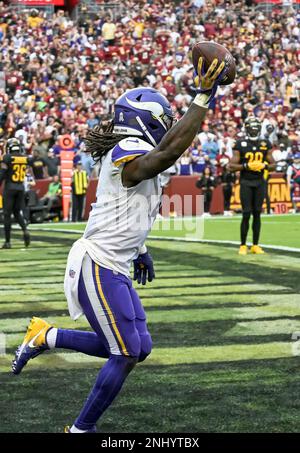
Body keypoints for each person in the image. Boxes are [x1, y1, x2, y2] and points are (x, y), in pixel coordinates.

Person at [12, 56, 226, 433]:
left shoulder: (132, 150)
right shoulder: (125, 149)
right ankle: (80, 430)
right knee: (125, 350)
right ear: (145, 120)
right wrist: (202, 98)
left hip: (116, 262)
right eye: (163, 122)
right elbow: (164, 156)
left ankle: (46, 335)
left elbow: (126, 207)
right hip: (98, 262)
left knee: (138, 348)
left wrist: (141, 249)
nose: (166, 129)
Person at [228, 117, 276, 255]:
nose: (254, 129)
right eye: (252, 127)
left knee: (257, 214)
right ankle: (243, 245)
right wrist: (246, 165)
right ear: (247, 128)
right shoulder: (240, 143)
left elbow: (273, 165)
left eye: (256, 127)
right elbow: (231, 166)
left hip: (260, 182)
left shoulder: (265, 143)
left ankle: (255, 245)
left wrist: (265, 165)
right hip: (246, 182)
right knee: (246, 213)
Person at [0, 138, 31, 248]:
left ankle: (7, 241)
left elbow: (2, 174)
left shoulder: (7, 157)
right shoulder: (24, 158)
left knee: (7, 214)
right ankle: (25, 230)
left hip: (10, 187)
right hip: (20, 187)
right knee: (17, 212)